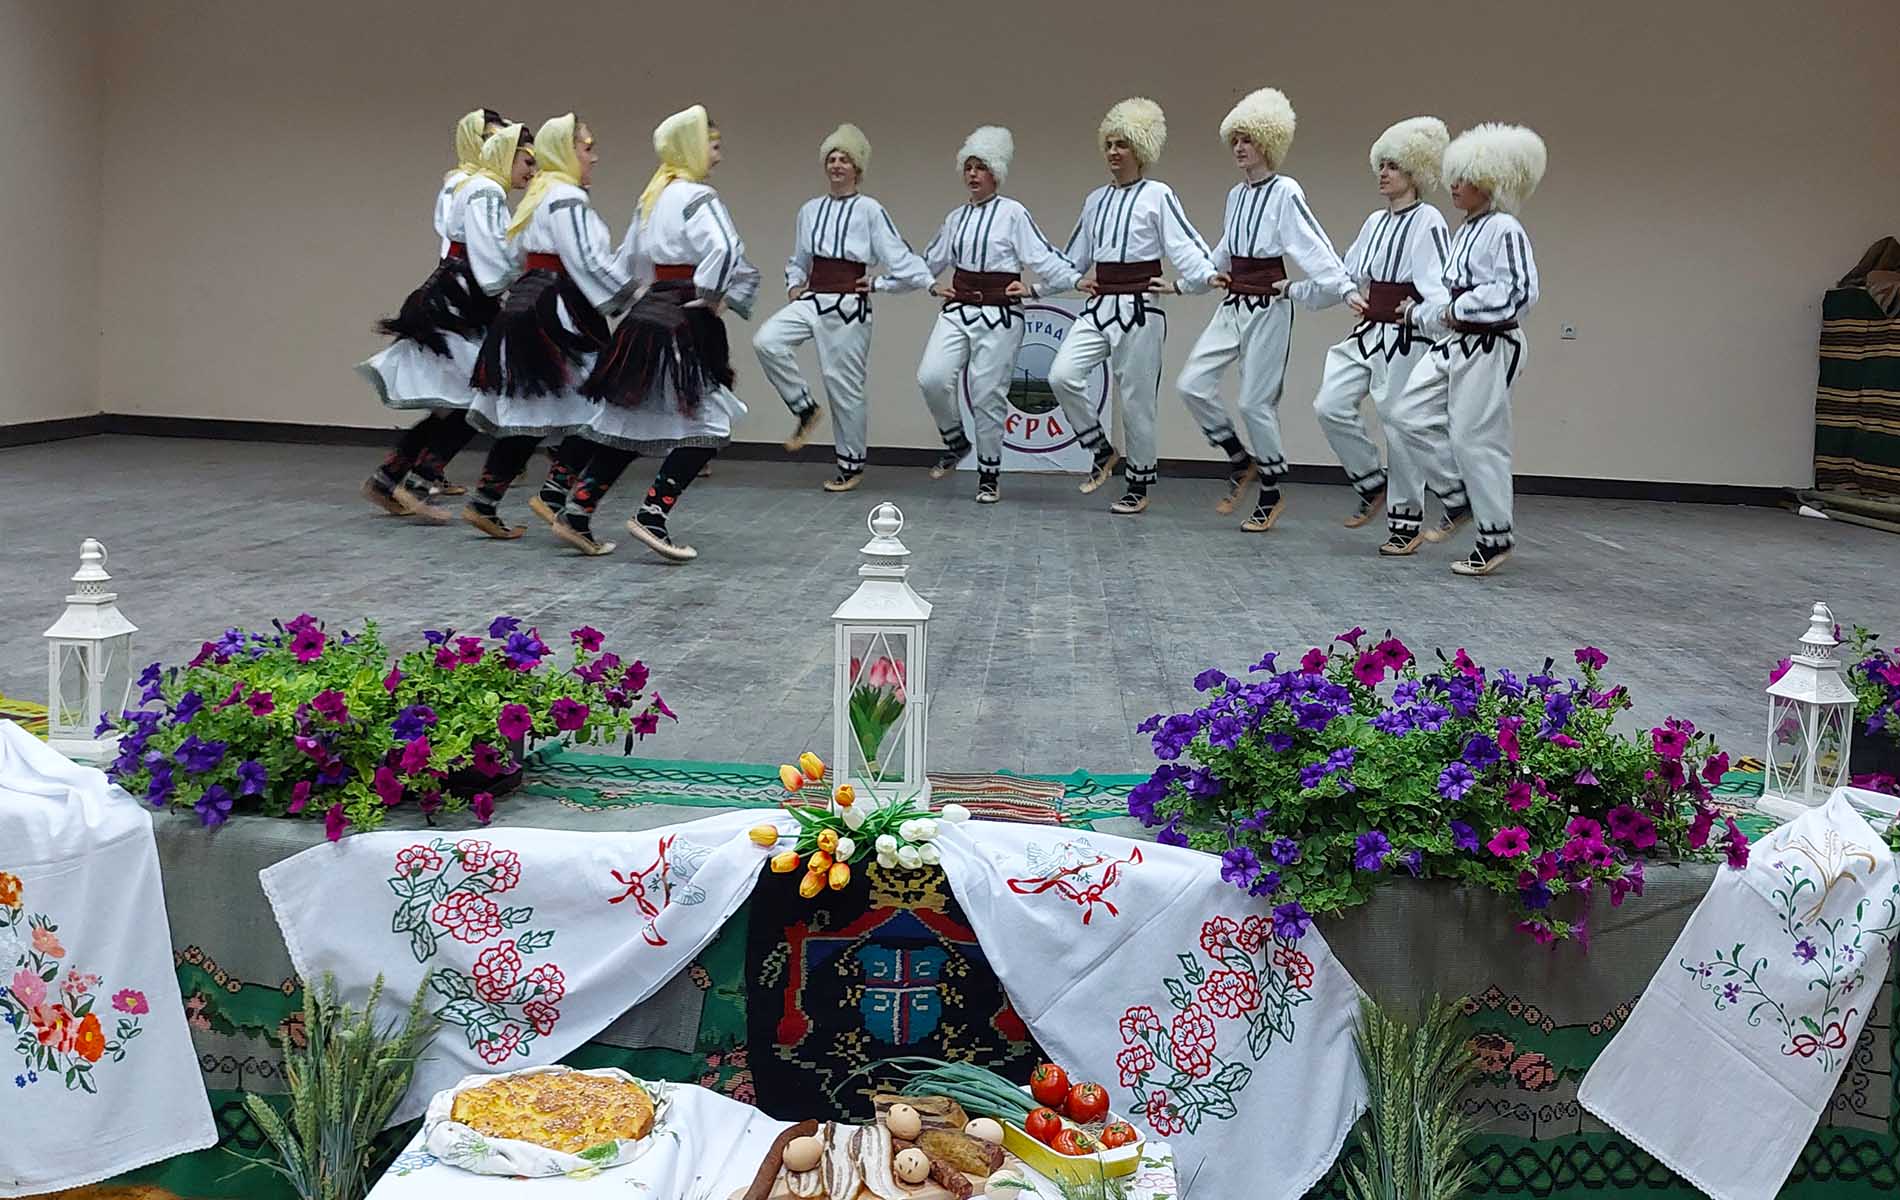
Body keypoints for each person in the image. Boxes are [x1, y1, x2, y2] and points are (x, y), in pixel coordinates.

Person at [576, 104, 760, 562]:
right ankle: (652, 515)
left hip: (645, 318)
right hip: (680, 319)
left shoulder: (653, 197)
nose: (717, 157)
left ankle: (577, 509)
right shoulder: (699, 195)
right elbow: (726, 247)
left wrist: (635, 300)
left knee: (630, 420)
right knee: (710, 425)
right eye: (713, 146)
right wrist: (712, 295)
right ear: (692, 148)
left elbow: (629, 260)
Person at [1175, 87, 1355, 532]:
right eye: (1235, 140)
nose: (1239, 148)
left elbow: (1312, 244)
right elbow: (1223, 250)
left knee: (1255, 402)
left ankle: (1271, 489)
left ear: (1268, 143)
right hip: (1233, 302)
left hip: (1269, 306)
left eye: (1248, 140)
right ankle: (1240, 460)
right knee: (1192, 383)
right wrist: (1192, 280)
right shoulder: (1235, 196)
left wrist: (1342, 287)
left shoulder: (1285, 191)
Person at [463, 114, 634, 541]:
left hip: (529, 300)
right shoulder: (566, 198)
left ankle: (485, 500)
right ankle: (556, 492)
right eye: (587, 148)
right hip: (559, 307)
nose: (594, 157)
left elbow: (514, 253)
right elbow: (586, 258)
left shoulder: (539, 193)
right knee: (606, 399)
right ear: (565, 150)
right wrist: (631, 295)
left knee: (533, 405)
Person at [1385, 122, 1545, 576]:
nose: (1453, 186)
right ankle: (1457, 498)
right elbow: (1448, 298)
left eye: (1464, 179)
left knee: (1476, 439)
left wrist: (1457, 308)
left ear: (1489, 182)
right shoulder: (1466, 229)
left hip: (1492, 344)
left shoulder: (1505, 229)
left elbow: (1518, 292)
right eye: (1453, 177)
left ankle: (1494, 536)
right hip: (1457, 342)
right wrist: (1421, 314)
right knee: (1406, 414)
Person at [1307, 116, 1472, 552]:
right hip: (1367, 331)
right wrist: (1304, 289)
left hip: (1404, 336)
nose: (1383, 173)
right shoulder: (1374, 222)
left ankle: (1407, 519)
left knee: (1398, 425)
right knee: (1329, 404)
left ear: (1415, 173)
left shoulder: (1428, 220)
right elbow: (1347, 272)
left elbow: (1437, 285)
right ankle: (1370, 480)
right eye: (1381, 165)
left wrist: (1432, 318)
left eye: (1393, 166)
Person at [1050, 98, 1218, 515]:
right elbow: (1072, 258)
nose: (1113, 152)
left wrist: (1193, 282)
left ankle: (1138, 483)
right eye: (1108, 144)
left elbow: (1188, 246)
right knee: (1062, 374)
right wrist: (1053, 283)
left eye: (1121, 144)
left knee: (1136, 401)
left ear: (1141, 148)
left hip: (1141, 307)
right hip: (1100, 305)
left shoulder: (1158, 195)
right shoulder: (1095, 200)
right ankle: (1100, 448)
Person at [754, 124, 932, 492]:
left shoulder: (870, 210)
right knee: (767, 340)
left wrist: (888, 283)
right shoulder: (809, 210)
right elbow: (799, 258)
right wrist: (794, 284)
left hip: (849, 306)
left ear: (857, 168)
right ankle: (805, 407)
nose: (836, 165)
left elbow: (900, 257)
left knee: (844, 387)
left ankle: (851, 465)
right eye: (832, 159)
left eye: (844, 160)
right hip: (813, 298)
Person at [358, 108, 517, 517]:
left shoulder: (473, 184)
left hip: (459, 295)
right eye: (489, 138)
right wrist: (508, 281)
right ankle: (419, 478)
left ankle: (392, 476)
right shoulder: (478, 187)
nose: (497, 146)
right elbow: (476, 248)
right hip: (460, 299)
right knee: (473, 396)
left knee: (457, 400)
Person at [914, 125, 1081, 503]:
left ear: (996, 173)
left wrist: (1043, 288)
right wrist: (928, 283)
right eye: (968, 167)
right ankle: (955, 439)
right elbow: (928, 261)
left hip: (1000, 315)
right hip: (958, 309)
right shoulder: (955, 218)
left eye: (981, 167)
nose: (973, 174)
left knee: (987, 394)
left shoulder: (1013, 214)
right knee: (931, 377)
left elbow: (1045, 258)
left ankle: (988, 473)